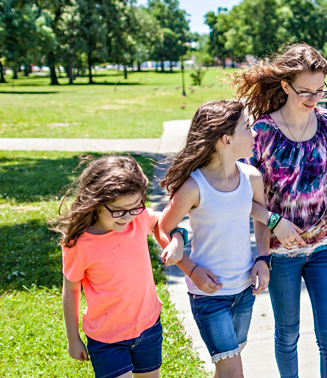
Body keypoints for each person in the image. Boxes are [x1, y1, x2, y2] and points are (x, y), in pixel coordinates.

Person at [233, 43, 327, 378]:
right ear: (285, 86)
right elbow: (242, 195)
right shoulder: (262, 133)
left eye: (320, 90)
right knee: (288, 336)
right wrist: (271, 232)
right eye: (305, 91)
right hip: (282, 252)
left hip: (324, 245)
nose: (314, 98)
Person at [157, 100, 287, 378]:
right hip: (209, 296)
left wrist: (263, 260)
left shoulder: (252, 177)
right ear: (227, 139)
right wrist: (190, 269)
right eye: (247, 128)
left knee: (226, 369)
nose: (254, 134)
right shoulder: (194, 186)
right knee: (233, 372)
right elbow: (162, 228)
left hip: (244, 292)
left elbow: (260, 219)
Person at [55, 155, 164, 378]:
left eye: (135, 207)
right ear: (96, 202)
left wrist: (177, 240)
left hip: (148, 327)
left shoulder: (137, 217)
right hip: (106, 339)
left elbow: (163, 222)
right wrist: (73, 338)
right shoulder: (79, 244)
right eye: (118, 210)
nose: (127, 217)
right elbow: (71, 290)